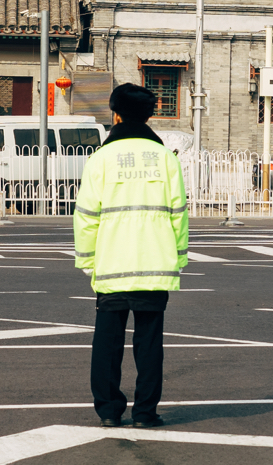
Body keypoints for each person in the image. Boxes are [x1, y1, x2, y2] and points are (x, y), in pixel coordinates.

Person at [74, 82, 189, 428]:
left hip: (112, 266)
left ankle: (109, 411)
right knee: (149, 344)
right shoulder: (166, 159)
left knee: (107, 342)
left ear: (116, 114)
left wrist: (88, 260)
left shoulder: (101, 159)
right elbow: (178, 214)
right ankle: (145, 413)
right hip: (155, 266)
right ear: (149, 116)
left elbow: (86, 216)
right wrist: (178, 258)